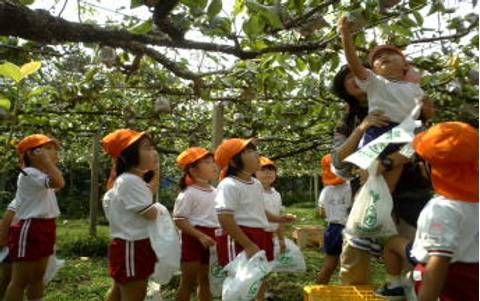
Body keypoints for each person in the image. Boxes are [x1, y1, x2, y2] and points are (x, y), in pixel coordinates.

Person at [330, 65, 433, 284]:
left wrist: (388, 162)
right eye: (348, 77)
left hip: (409, 197)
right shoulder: (347, 123)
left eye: (357, 72)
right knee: (354, 261)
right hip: (368, 199)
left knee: (410, 263)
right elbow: (340, 164)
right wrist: (362, 129)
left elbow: (421, 145)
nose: (355, 78)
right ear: (344, 88)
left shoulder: (408, 108)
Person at [375, 122, 478, 301]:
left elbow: (438, 263)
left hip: (449, 283)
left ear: (429, 169)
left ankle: (397, 286)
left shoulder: (442, 209)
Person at [339, 15, 428, 192]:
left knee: (387, 188)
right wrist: (345, 36)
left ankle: (382, 213)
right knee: (370, 182)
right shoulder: (376, 82)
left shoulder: (415, 88)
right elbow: (354, 63)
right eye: (377, 59)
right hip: (380, 131)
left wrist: (428, 107)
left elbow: (426, 117)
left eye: (391, 54)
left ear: (405, 66)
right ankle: (367, 212)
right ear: (374, 70)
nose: (383, 57)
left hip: (405, 134)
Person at [213, 138, 295, 301]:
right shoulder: (229, 185)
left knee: (261, 272)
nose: (257, 154)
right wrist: (248, 244)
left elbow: (259, 210)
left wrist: (279, 219)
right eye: (249, 151)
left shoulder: (255, 184)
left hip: (261, 234)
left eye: (254, 150)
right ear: (234, 162)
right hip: (241, 236)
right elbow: (225, 218)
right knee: (242, 278)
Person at [4, 134, 65, 301]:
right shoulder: (29, 173)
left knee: (38, 278)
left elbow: (56, 181)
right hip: (30, 228)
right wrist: (46, 163)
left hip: (44, 227)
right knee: (20, 280)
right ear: (32, 153)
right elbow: (59, 182)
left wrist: (48, 164)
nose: (54, 153)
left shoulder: (40, 174)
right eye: (49, 148)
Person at [101, 129, 160, 301]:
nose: (154, 152)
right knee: (134, 294)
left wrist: (155, 171)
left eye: (152, 147)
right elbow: (150, 213)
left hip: (131, 244)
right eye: (147, 148)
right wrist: (160, 212)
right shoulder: (130, 181)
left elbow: (149, 191)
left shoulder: (130, 180)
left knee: (120, 291)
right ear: (129, 155)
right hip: (132, 246)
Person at [173, 147, 219, 301]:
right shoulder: (188, 193)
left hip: (212, 238)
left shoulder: (215, 191)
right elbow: (179, 219)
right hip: (193, 238)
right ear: (193, 170)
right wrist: (200, 236)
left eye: (213, 162)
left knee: (206, 280)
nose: (214, 165)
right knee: (188, 281)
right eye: (207, 162)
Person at [316, 154, 352, 284]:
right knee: (350, 267)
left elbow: (322, 212)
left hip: (332, 229)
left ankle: (318, 293)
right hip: (349, 229)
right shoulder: (351, 187)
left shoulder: (326, 191)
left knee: (329, 265)